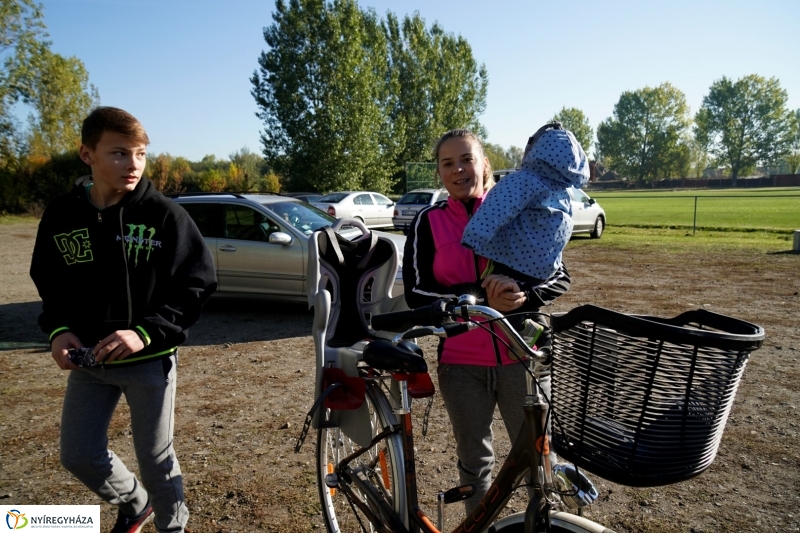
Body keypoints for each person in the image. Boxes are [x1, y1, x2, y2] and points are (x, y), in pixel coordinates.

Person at [29, 107, 217, 533]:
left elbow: (198, 284)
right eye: (118, 153)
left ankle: (173, 526)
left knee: (155, 458)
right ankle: (137, 504)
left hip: (149, 362)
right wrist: (59, 330)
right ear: (86, 154)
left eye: (140, 154)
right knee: (77, 454)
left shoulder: (165, 216)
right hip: (90, 362)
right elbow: (49, 282)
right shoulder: (61, 216)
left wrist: (145, 333)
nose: (132, 165)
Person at [403, 128, 571, 516]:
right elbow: (417, 293)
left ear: (485, 165)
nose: (459, 169)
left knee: (539, 460)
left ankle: (543, 525)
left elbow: (559, 274)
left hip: (522, 357)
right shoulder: (427, 222)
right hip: (462, 365)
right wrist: (476, 297)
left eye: (467, 159)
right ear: (440, 173)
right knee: (475, 466)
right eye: (448, 163)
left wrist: (525, 294)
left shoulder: (519, 206)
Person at [461, 122, 589, 349]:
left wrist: (474, 235)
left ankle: (535, 335)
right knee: (525, 306)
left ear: (537, 151)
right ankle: (539, 333)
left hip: (514, 259)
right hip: (544, 268)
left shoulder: (525, 180)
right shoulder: (563, 192)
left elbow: (499, 207)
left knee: (499, 301)